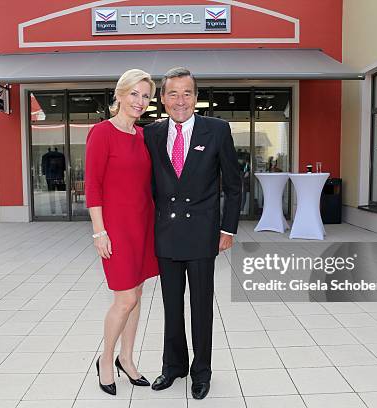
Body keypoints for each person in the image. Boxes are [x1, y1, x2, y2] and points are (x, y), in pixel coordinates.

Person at [144, 67, 241, 400]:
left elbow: (233, 184)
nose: (180, 100)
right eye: (173, 93)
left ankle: (201, 372)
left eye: (187, 93)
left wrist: (227, 228)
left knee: (201, 307)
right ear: (162, 98)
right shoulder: (151, 134)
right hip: (166, 234)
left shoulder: (217, 130)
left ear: (196, 97)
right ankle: (173, 367)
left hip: (203, 235)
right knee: (172, 306)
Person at [85, 69, 159, 396]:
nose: (139, 102)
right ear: (119, 94)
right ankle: (105, 359)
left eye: (145, 96)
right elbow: (93, 185)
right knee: (125, 297)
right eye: (134, 94)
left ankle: (127, 359)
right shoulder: (101, 133)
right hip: (115, 228)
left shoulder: (143, 136)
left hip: (144, 225)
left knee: (137, 295)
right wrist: (99, 232)